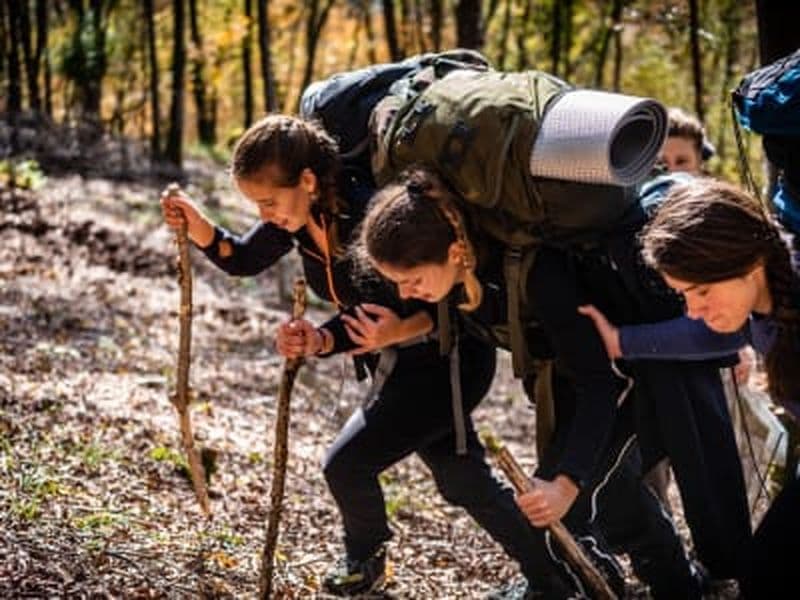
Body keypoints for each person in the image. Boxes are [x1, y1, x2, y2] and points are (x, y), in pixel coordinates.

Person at [160, 114, 586, 598]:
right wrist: (198, 226)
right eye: (257, 205)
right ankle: (554, 578)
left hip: (447, 356)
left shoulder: (367, 211)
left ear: (307, 180)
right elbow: (242, 259)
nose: (265, 215)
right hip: (402, 360)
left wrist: (329, 339)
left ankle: (365, 564)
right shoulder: (301, 217)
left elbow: (407, 301)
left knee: (348, 464)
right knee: (461, 478)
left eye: (269, 202)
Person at [357, 167, 715, 599]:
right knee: (615, 498)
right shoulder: (454, 282)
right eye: (398, 283)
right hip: (578, 382)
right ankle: (679, 586)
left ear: (455, 252)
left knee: (560, 514)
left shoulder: (539, 274)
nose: (406, 293)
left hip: (633, 380)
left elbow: (602, 383)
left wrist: (566, 481)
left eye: (411, 280)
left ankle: (610, 587)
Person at [625, 177, 799, 597]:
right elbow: (699, 336)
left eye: (701, 291)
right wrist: (620, 340)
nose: (695, 311)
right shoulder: (762, 301)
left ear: (748, 264)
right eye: (684, 295)